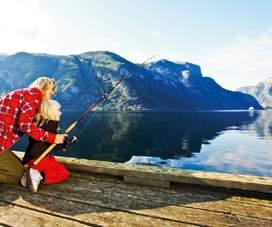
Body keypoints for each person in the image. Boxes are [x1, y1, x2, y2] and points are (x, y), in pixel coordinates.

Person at [0, 77, 66, 185]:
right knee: (17, 175)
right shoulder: (34, 95)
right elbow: (25, 125)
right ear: (43, 86)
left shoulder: (25, 95)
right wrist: (53, 138)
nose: (53, 93)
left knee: (21, 167)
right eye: (51, 89)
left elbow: (27, 125)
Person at [21, 99, 76, 192]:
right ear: (50, 112)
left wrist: (62, 140)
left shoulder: (39, 126)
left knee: (55, 165)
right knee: (63, 172)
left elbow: (47, 143)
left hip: (29, 160)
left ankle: (29, 175)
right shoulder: (51, 125)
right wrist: (65, 143)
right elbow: (56, 146)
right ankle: (38, 176)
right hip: (39, 161)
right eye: (58, 110)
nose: (60, 113)